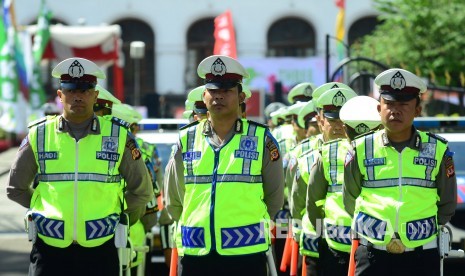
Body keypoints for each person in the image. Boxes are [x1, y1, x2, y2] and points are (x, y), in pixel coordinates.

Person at [6, 57, 153, 276]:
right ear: (60, 95)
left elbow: (142, 191)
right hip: (49, 248)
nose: (78, 97)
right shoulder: (39, 134)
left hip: (101, 248)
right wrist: (46, 212)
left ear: (95, 95)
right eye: (71, 90)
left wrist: (112, 212)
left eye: (85, 90)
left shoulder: (118, 135)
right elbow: (15, 188)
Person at [165, 54, 284, 276]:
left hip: (246, 253)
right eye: (213, 90)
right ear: (204, 95)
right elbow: (174, 199)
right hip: (196, 253)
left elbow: (274, 199)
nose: (219, 96)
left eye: (227, 90)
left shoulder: (261, 138)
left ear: (240, 96)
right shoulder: (186, 138)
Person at [343, 68, 457, 276]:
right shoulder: (360, 148)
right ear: (379, 108)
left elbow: (447, 204)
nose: (396, 111)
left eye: (404, 104)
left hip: (421, 256)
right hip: (372, 254)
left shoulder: (438, 150)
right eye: (390, 104)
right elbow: (350, 197)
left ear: (418, 110)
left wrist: (415, 231)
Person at [306, 93, 380, 276]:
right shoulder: (329, 152)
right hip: (345, 247)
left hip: (365, 247)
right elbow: (312, 202)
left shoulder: (328, 152)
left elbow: (312, 201)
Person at [290, 82, 354, 275]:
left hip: (358, 244)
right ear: (320, 120)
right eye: (332, 120)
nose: (339, 126)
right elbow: (298, 203)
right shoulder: (305, 154)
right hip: (316, 245)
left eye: (344, 120)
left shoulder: (362, 151)